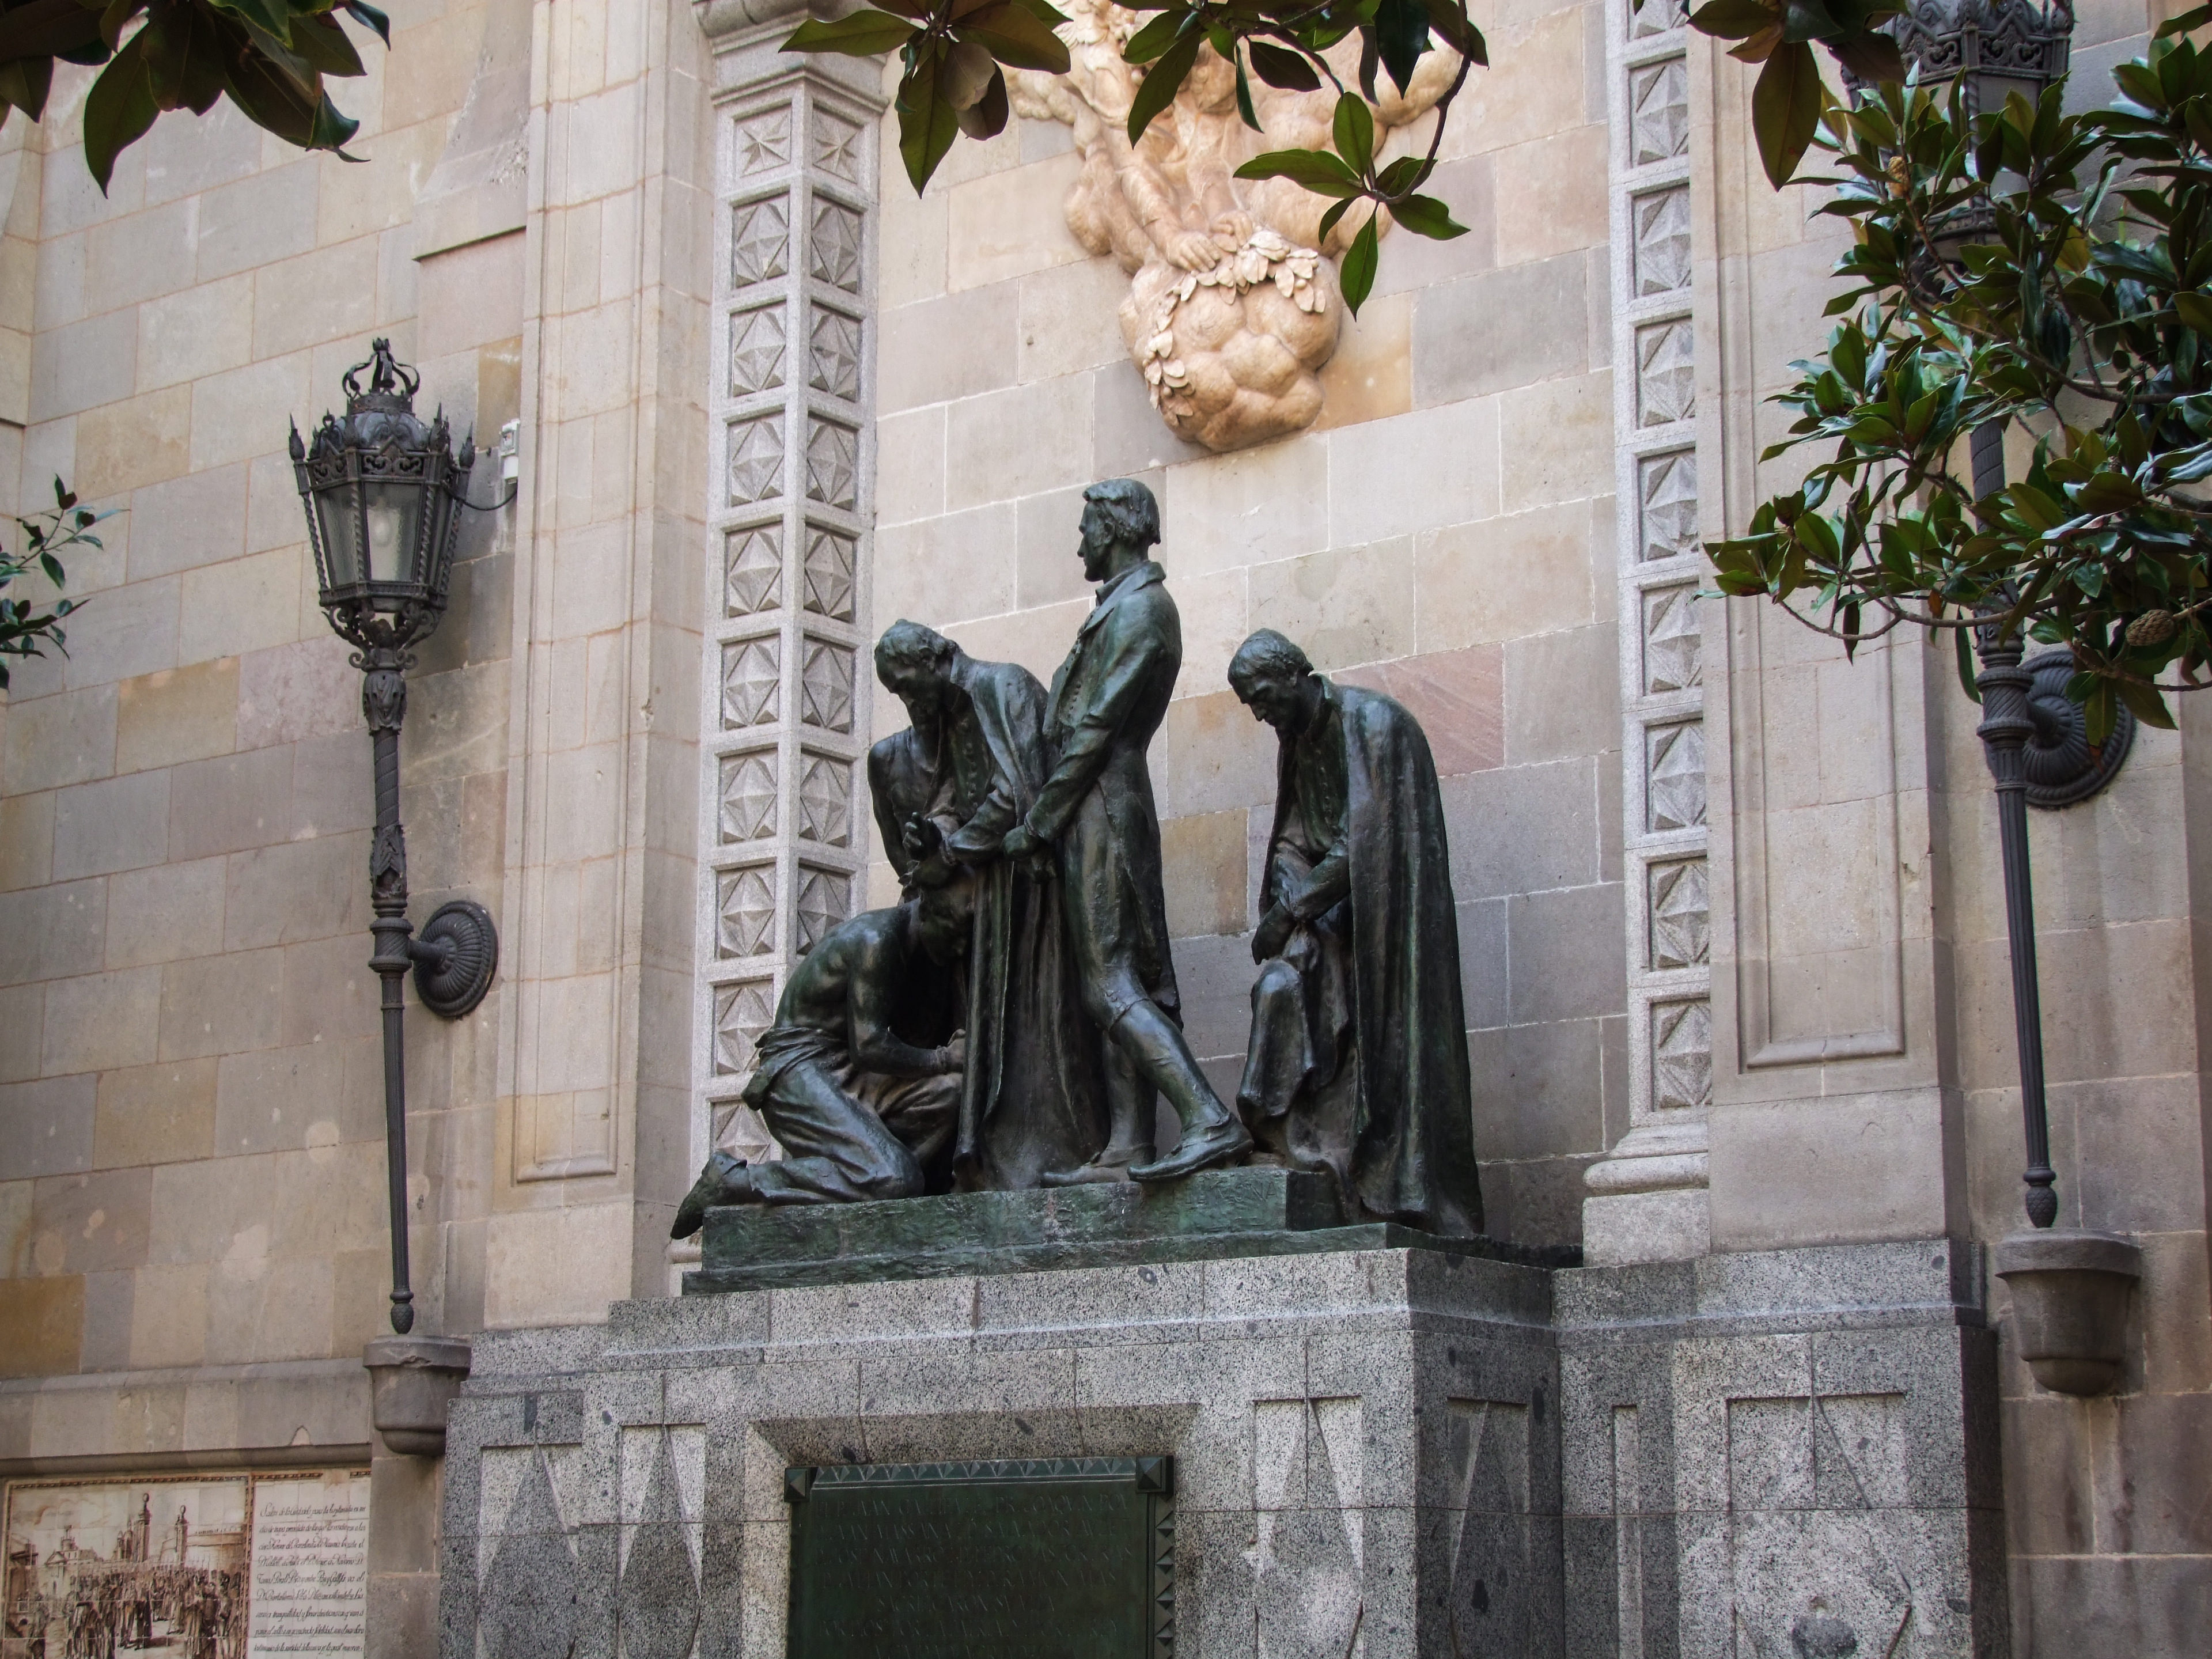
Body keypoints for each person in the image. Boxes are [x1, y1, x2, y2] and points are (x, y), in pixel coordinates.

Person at [999, 479, 1251, 1182]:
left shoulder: (1143, 608)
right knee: (1111, 979)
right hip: (1094, 804)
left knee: (1109, 983)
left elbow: (1097, 727)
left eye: (1087, 527)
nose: (1080, 541)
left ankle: (1207, 1116)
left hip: (1102, 804)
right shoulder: (1120, 607)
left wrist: (1040, 823)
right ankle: (1128, 1144)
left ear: (1113, 528)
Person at [1228, 629, 1484, 1236]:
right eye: (1250, 704)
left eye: (1262, 697)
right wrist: (1291, 894)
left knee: (1380, 1036)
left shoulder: (1373, 725)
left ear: (1294, 675)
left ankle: (1389, 1182)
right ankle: (1289, 1139)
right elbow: (1293, 836)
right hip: (1326, 916)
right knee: (1278, 987)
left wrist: (1292, 910)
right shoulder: (1297, 740)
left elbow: (1364, 842)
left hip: (1382, 923)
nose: (1260, 714)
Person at [868, 623, 1109, 1189]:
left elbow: (1017, 790)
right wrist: (935, 837)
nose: (907, 700)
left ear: (936, 660)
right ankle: (987, 1158)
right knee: (991, 1028)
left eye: (906, 684)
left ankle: (1052, 1153)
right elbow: (955, 799)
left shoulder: (1003, 687)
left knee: (1041, 1024)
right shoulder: (949, 719)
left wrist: (952, 851)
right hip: (991, 896)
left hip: (1034, 889)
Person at [670, 887, 970, 1232]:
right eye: (956, 934)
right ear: (929, 912)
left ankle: (870, 1177)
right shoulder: (878, 940)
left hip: (847, 1068)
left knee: (954, 1091)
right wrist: (943, 1058)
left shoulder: (913, 947)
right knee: (895, 1179)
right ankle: (738, 1182)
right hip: (798, 1071)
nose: (959, 948)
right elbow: (869, 1046)